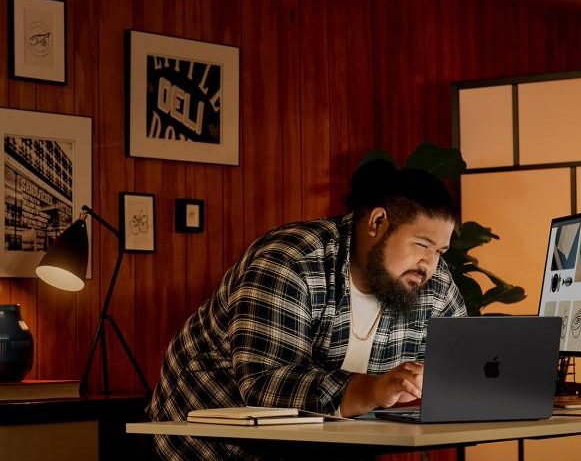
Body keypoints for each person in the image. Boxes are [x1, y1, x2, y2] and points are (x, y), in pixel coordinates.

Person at [147, 159, 467, 459]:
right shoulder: (291, 260)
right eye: (422, 245)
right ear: (378, 222)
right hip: (204, 440)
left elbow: (460, 365)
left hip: (321, 443)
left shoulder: (431, 281)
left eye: (440, 251)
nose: (430, 264)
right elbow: (264, 387)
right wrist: (373, 388)